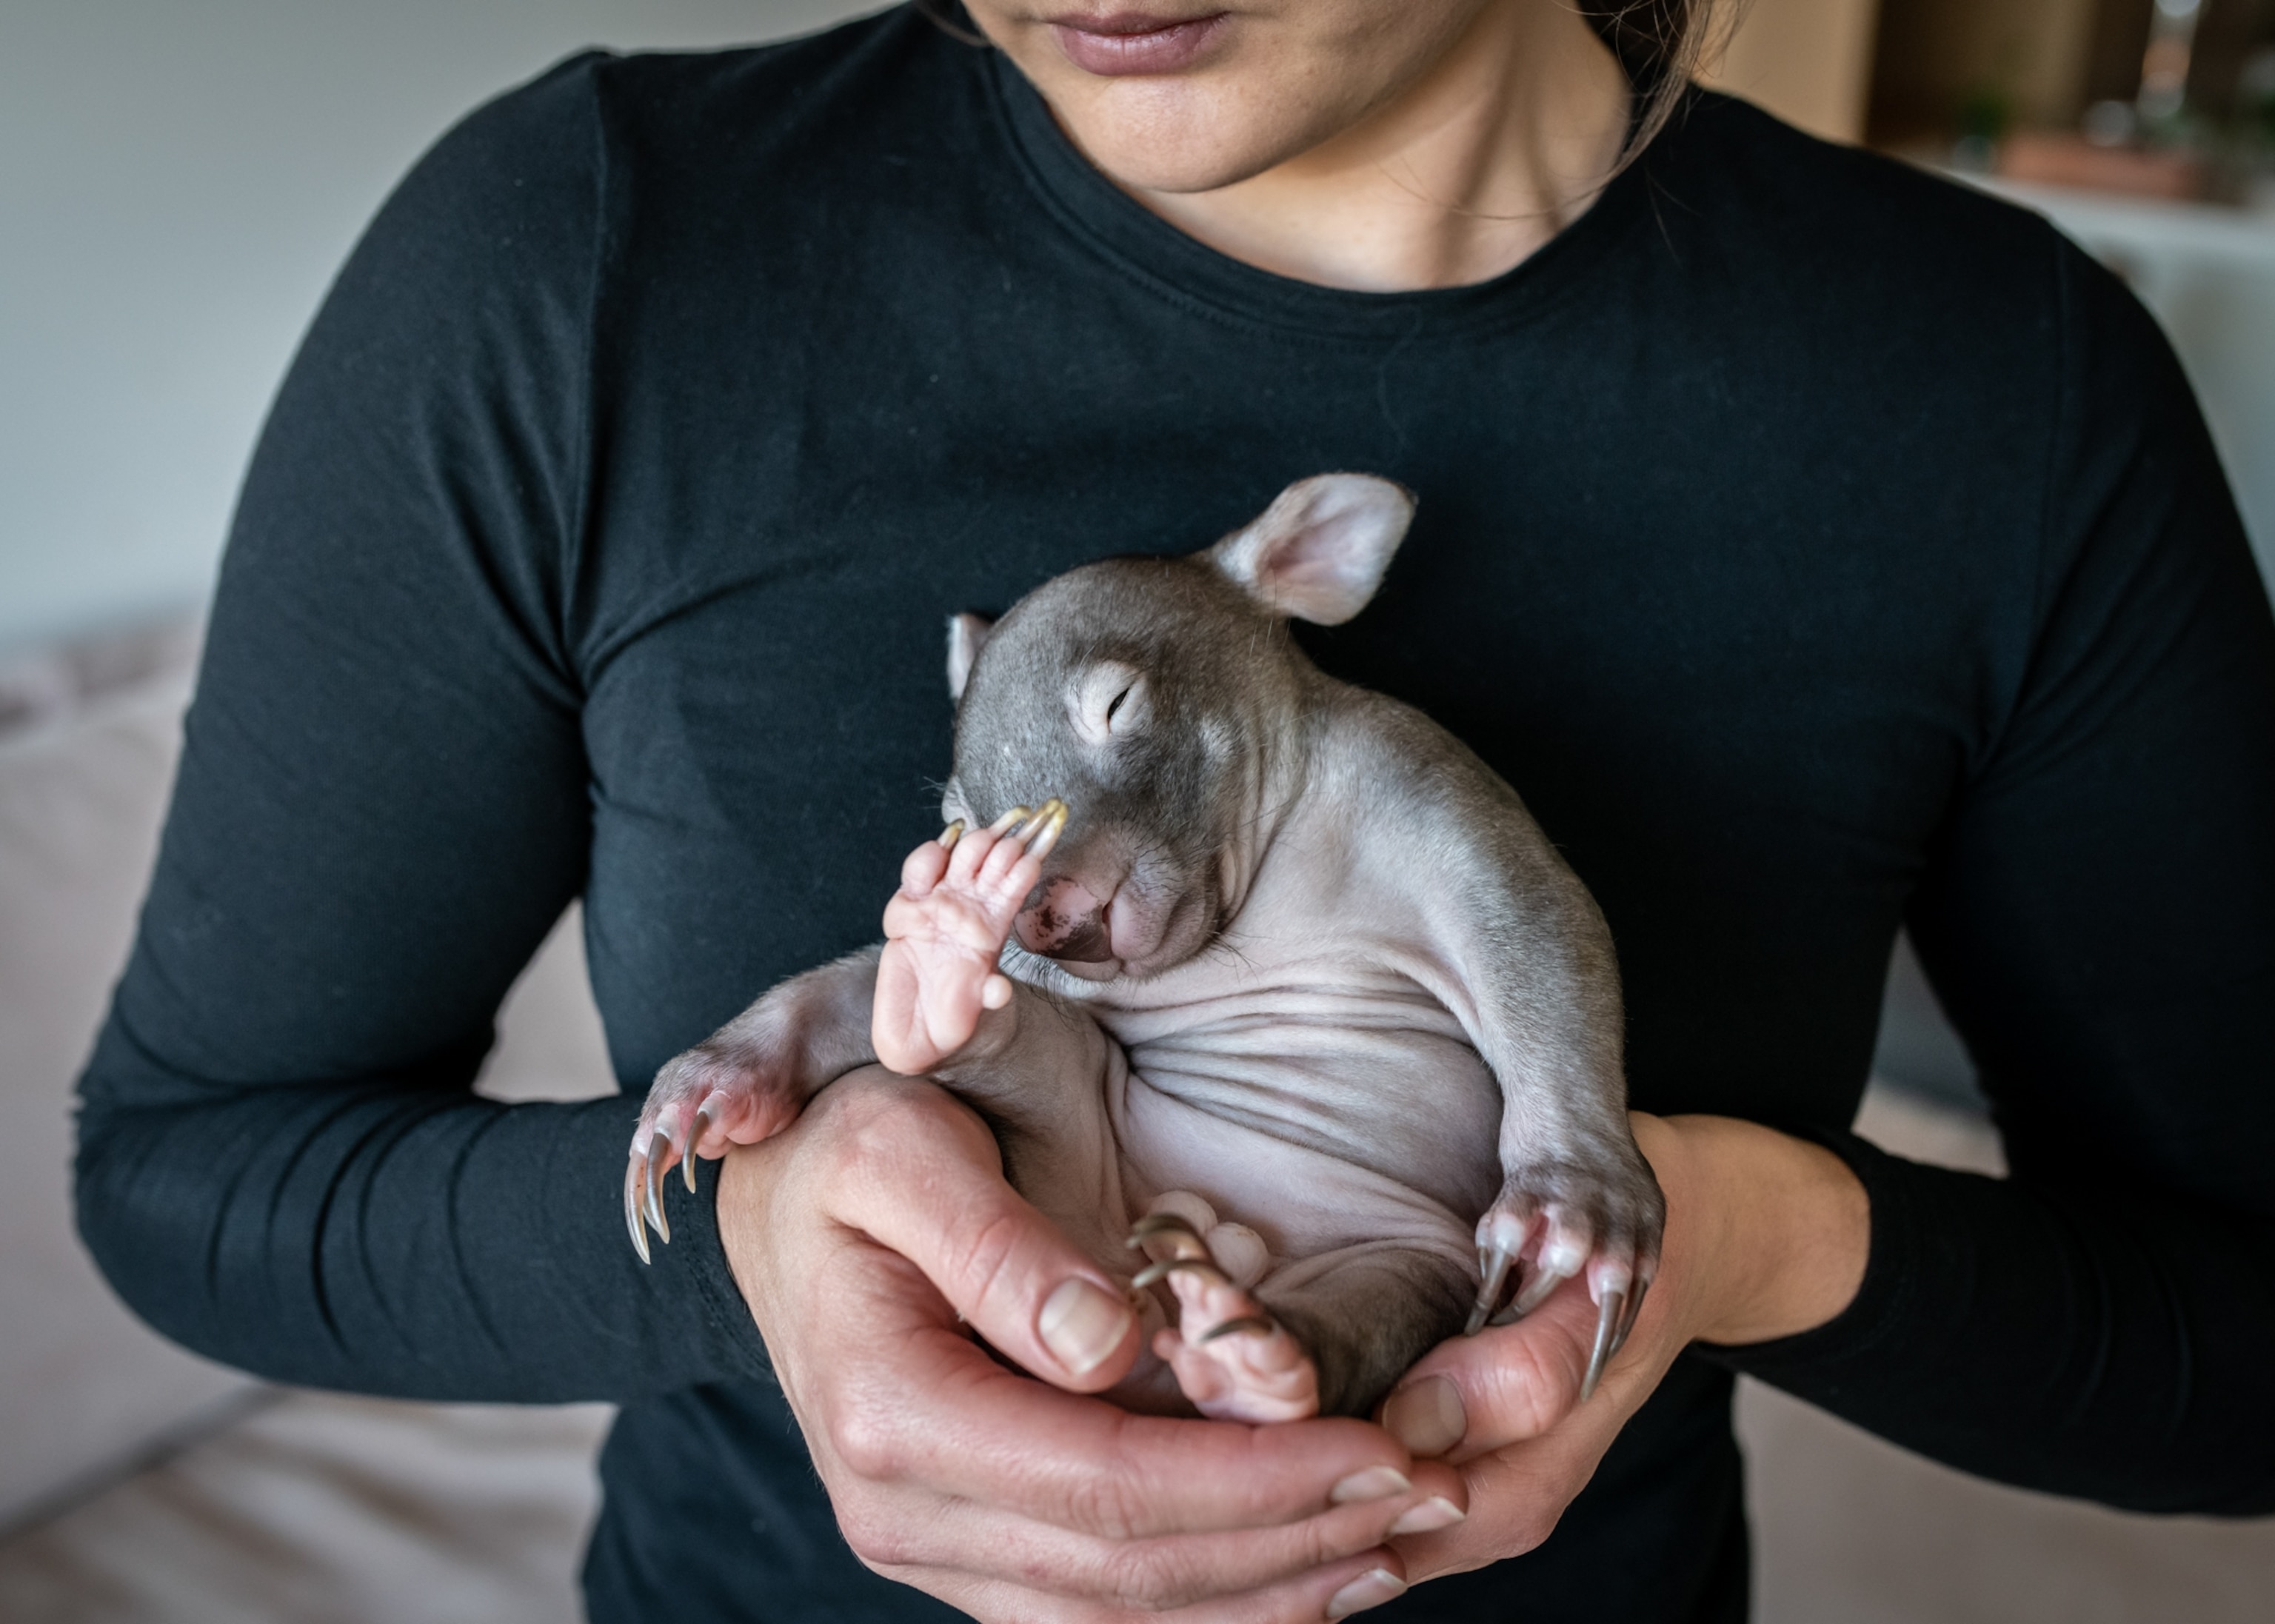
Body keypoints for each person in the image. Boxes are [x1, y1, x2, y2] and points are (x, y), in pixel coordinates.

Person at [74, 1, 2275, 1620]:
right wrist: (761, 1247)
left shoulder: (1996, 389)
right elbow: (192, 1172)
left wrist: (1714, 1231)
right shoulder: (584, 260)